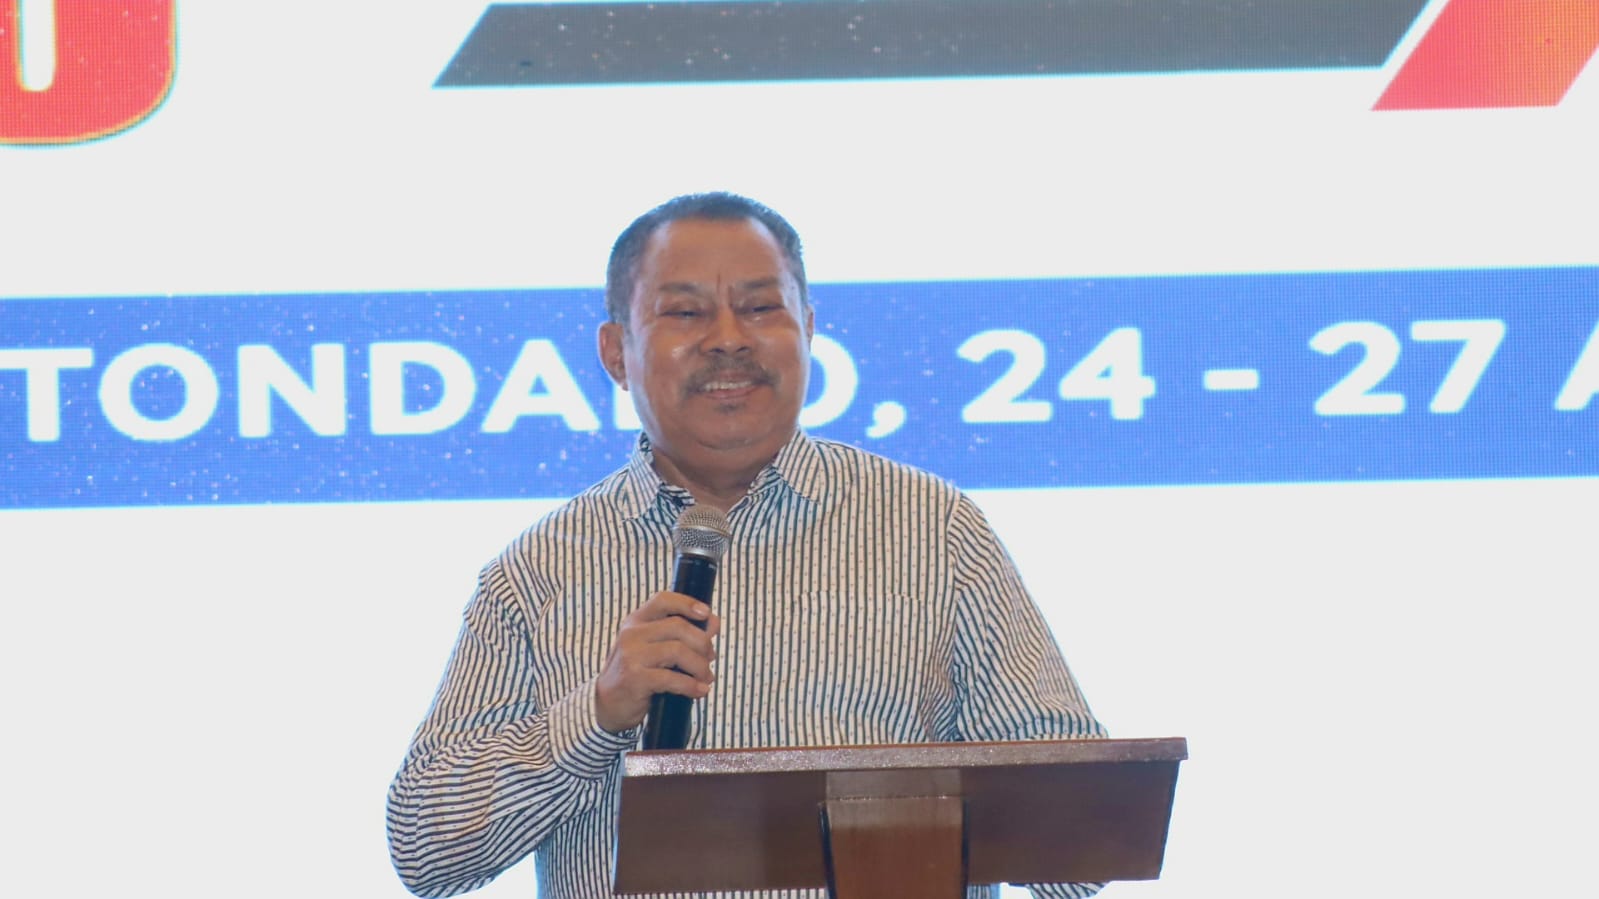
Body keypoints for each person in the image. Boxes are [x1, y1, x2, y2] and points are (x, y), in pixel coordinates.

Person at [386, 192, 1106, 899]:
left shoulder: (934, 531)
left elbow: (1084, 838)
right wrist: (597, 714)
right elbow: (424, 850)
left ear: (808, 329)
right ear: (615, 352)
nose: (728, 338)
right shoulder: (541, 570)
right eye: (685, 312)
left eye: (761, 308)